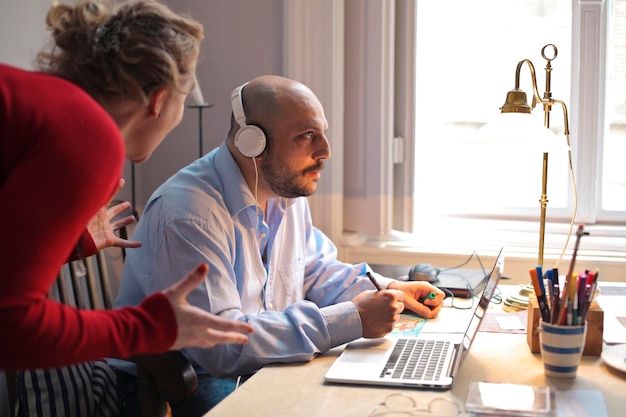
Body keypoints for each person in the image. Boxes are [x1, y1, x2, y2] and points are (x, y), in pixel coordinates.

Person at [116, 74, 445, 415]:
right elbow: (221, 347)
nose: (325, 152)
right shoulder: (188, 214)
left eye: (322, 133)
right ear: (252, 143)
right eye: (307, 136)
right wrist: (354, 318)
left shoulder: (285, 194)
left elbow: (313, 270)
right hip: (186, 381)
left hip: (256, 364)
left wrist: (388, 289)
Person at [0, 0, 253, 372]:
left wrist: (68, 246)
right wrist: (150, 327)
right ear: (159, 99)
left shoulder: (45, 105)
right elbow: (12, 332)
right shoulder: (88, 134)